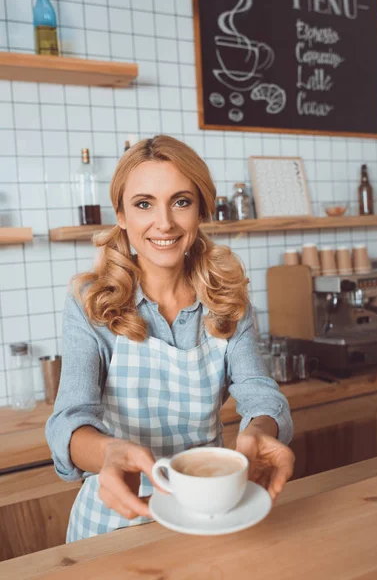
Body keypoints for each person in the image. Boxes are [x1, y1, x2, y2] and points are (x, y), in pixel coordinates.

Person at [46, 135, 294, 542]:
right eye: (144, 204)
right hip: (115, 519)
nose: (164, 222)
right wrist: (108, 453)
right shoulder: (90, 303)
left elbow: (259, 395)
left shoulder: (228, 300)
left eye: (180, 201)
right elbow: (69, 419)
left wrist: (259, 433)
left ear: (200, 211)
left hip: (208, 512)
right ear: (122, 215)